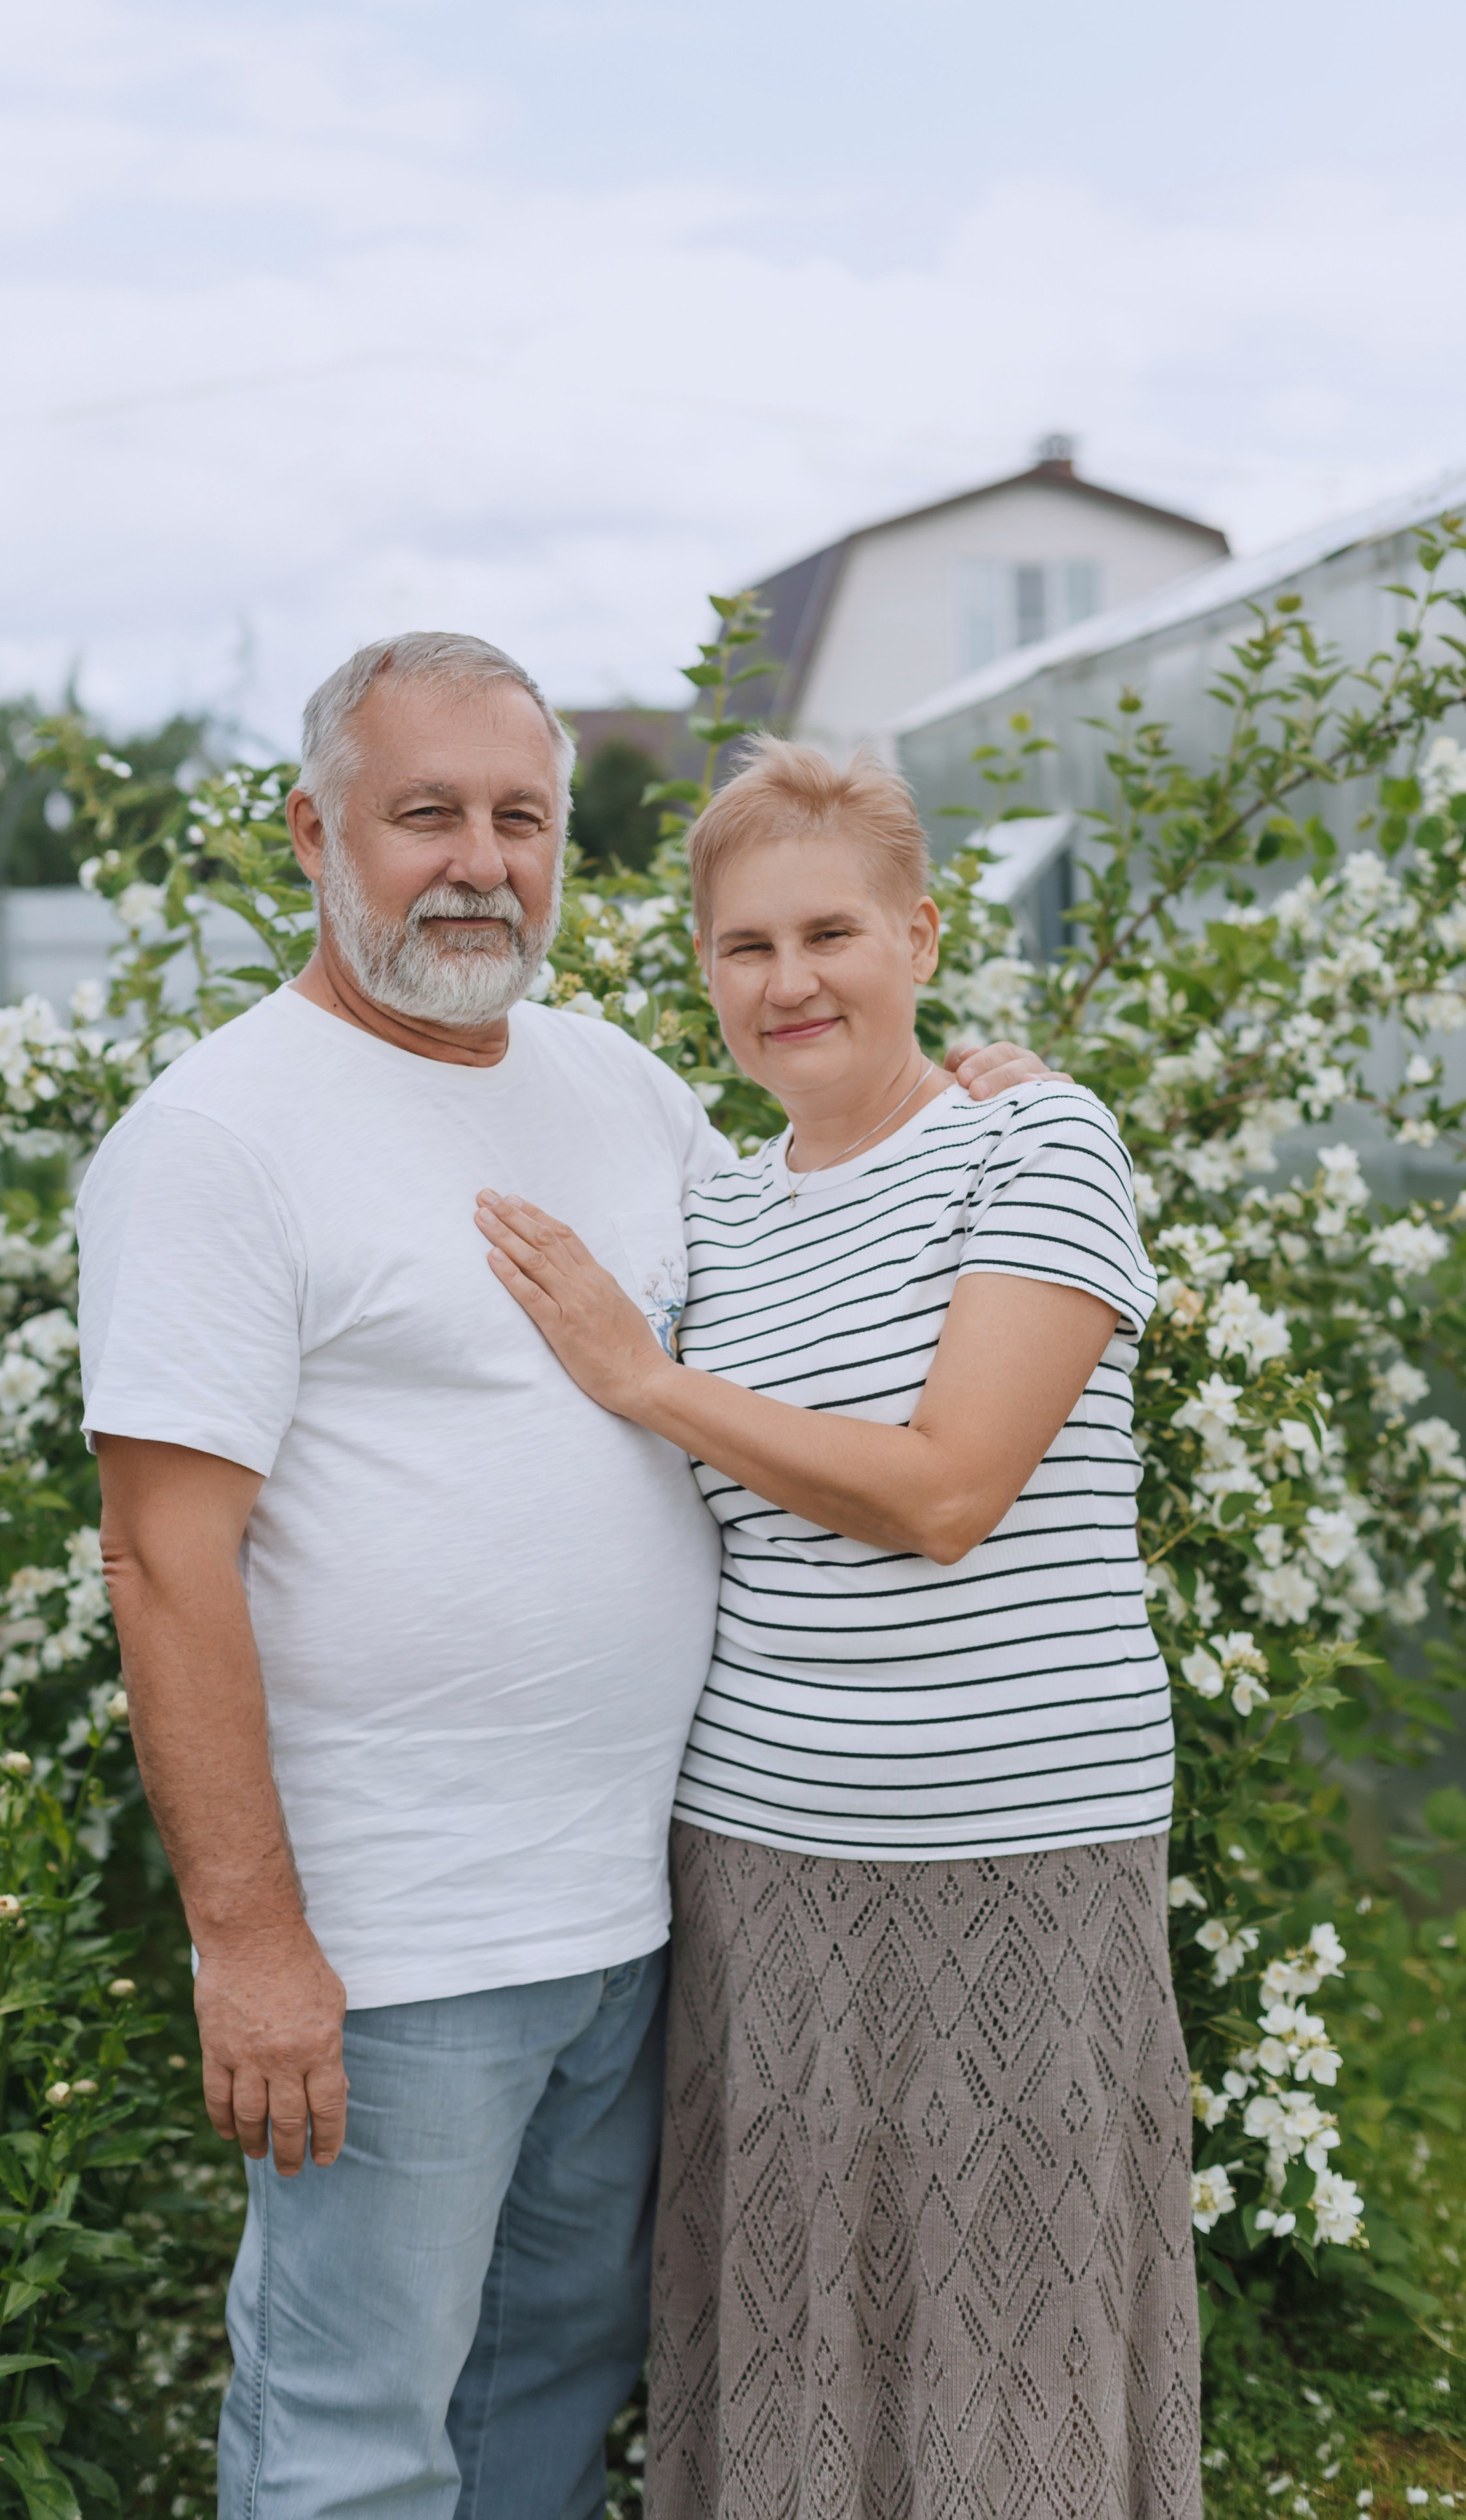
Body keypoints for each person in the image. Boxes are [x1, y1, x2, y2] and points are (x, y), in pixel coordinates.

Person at [76, 637, 1059, 2520]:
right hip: (398, 1946)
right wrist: (256, 1947)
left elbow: (819, 1224)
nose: (479, 861)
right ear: (313, 833)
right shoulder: (220, 1137)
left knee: (550, 2394)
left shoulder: (609, 1086)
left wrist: (971, 1105)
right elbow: (162, 1555)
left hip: (640, 1911)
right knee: (355, 2437)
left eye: (520, 817)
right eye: (424, 812)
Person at [475, 737, 1196, 2520]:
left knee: (1012, 2360)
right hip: (759, 1865)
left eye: (831, 934)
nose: (789, 981)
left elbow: (947, 1493)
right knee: (790, 2351)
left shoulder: (1036, 1138)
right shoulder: (704, 1214)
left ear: (922, 938)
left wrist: (645, 1382)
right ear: (703, 974)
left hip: (1019, 1852)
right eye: (743, 948)